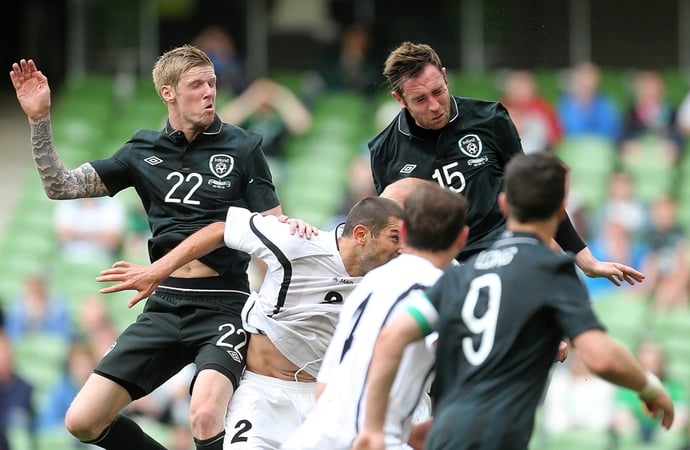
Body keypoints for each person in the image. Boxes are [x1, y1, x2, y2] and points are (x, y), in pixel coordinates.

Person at [9, 45, 308, 450]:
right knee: (82, 421)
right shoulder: (142, 151)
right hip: (164, 305)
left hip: (224, 303)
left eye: (212, 83)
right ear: (168, 93)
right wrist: (39, 119)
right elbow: (59, 186)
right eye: (196, 85)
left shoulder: (243, 147)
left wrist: (291, 233)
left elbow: (272, 231)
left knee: (203, 414)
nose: (209, 93)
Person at [352, 152, 674, 450]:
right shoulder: (550, 269)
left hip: (444, 431)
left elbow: (393, 337)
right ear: (561, 208)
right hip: (495, 436)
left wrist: (373, 428)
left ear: (504, 205)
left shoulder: (465, 273)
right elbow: (600, 356)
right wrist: (649, 386)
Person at [96, 195, 404, 449]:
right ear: (362, 235)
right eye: (394, 238)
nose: (401, 248)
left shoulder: (391, 280)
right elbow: (221, 230)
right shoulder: (298, 242)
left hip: (320, 400)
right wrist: (158, 271)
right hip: (262, 395)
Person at [368, 42, 644, 290]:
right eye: (419, 99)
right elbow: (391, 224)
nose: (434, 106)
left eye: (438, 91)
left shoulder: (488, 119)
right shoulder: (384, 151)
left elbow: (532, 193)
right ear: (399, 99)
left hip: (504, 252)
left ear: (444, 75)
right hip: (439, 270)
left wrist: (585, 259)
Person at [281, 181, 469, 450]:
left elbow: (325, 384)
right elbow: (396, 340)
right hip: (377, 436)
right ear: (462, 238)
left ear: (403, 231)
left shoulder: (368, 281)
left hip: (318, 433)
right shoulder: (441, 290)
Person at [500, 69, 562, 153]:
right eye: (519, 87)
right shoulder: (502, 108)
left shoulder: (542, 107)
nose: (523, 92)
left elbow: (555, 136)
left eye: (525, 87)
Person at [557, 61, 621, 141]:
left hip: (600, 147)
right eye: (583, 78)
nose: (587, 83)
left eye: (590, 78)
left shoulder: (605, 103)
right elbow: (563, 132)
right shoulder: (565, 104)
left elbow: (611, 130)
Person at [53, 196, 127, 264]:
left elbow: (113, 239)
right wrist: (97, 235)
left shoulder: (112, 204)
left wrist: (78, 234)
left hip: (102, 257)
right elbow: (63, 235)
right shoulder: (67, 202)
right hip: (70, 257)